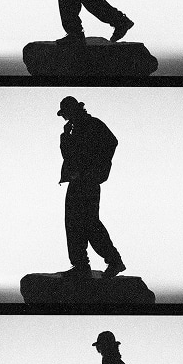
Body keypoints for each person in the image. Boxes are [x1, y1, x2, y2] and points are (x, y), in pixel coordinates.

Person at [57, 96, 125, 278]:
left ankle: (111, 261)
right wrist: (65, 136)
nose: (65, 118)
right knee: (75, 223)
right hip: (77, 181)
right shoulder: (75, 129)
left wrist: (96, 169)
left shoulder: (92, 124)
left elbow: (112, 142)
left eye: (65, 114)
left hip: (87, 182)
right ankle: (82, 265)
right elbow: (68, 156)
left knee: (88, 223)